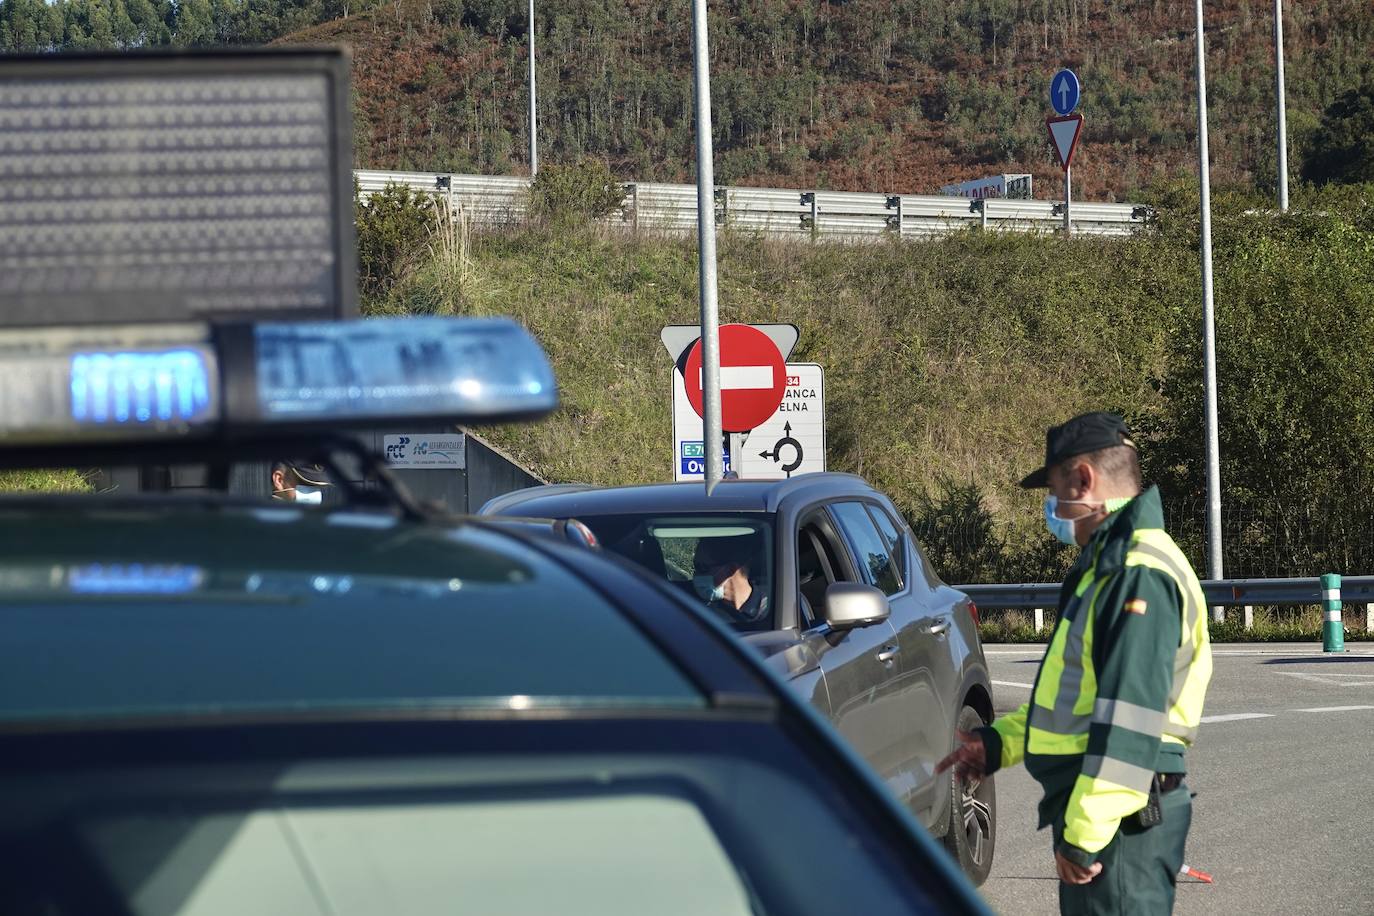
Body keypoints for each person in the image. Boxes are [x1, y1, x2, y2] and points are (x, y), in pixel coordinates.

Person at [938, 411, 1213, 915]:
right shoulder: (1109, 567)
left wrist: (1084, 837)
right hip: (1116, 818)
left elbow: (1130, 719)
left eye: (1055, 489)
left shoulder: (1135, 572)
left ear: (1084, 480)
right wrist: (997, 743)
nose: (1053, 506)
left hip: (1119, 827)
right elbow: (1074, 704)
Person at [692, 534, 769, 624]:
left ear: (730, 570)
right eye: (696, 567)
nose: (696, 575)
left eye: (702, 568)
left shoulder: (772, 609)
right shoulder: (701, 614)